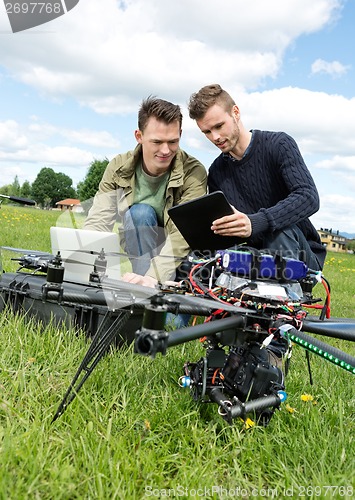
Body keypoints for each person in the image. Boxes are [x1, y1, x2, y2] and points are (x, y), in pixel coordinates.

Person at [188, 84, 326, 271]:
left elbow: (308, 197)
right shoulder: (216, 172)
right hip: (253, 253)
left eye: (219, 126)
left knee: (278, 232)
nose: (215, 137)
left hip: (300, 253)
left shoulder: (279, 145)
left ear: (235, 113)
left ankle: (285, 295)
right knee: (197, 260)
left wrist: (256, 222)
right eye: (207, 132)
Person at [84, 96, 207, 288]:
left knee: (171, 319)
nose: (166, 150)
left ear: (180, 134)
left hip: (179, 252)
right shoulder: (118, 166)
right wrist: (84, 260)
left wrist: (155, 276)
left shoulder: (194, 172)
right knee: (140, 213)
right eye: (157, 142)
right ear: (139, 136)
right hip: (140, 245)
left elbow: (183, 233)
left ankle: (152, 289)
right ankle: (143, 294)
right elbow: (100, 218)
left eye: (173, 141)